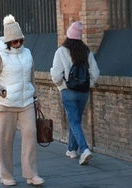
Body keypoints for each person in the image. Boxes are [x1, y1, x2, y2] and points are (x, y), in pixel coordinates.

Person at [0, 14, 44, 186]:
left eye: (20, 40)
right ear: (8, 41)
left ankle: (31, 175)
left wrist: (35, 96)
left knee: (30, 136)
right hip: (6, 104)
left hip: (26, 103)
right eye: (15, 41)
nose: (18, 44)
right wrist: (0, 91)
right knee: (5, 141)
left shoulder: (27, 54)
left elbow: (31, 77)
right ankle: (6, 176)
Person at [50, 21, 100, 165]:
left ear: (68, 36)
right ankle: (72, 149)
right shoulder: (86, 51)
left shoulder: (61, 51)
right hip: (84, 93)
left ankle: (84, 149)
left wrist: (62, 85)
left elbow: (57, 76)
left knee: (73, 120)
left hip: (69, 92)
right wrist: (87, 84)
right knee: (76, 119)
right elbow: (95, 74)